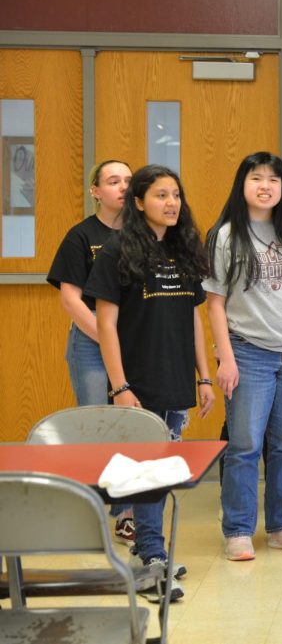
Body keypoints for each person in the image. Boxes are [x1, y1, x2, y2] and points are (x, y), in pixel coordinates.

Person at [84, 164, 215, 602]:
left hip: (176, 379)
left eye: (176, 194)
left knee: (160, 474)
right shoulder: (117, 249)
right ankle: (153, 559)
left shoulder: (184, 248)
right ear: (139, 203)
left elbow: (195, 319)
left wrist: (205, 377)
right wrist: (120, 387)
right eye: (161, 195)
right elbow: (106, 324)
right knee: (145, 474)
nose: (172, 203)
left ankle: (148, 549)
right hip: (137, 385)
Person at [205, 152, 282, 561]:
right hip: (249, 353)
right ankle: (238, 529)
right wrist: (226, 358)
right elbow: (215, 302)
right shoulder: (225, 236)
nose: (266, 186)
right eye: (257, 178)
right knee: (245, 445)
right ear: (243, 184)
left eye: (274, 180)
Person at [46, 159, 136, 544]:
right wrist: (107, 336)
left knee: (132, 427)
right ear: (96, 191)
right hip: (91, 344)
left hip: (135, 344)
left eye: (129, 181)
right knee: (98, 428)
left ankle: (126, 514)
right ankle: (92, 509)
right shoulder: (81, 236)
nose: (122, 187)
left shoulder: (143, 235)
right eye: (113, 181)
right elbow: (71, 299)